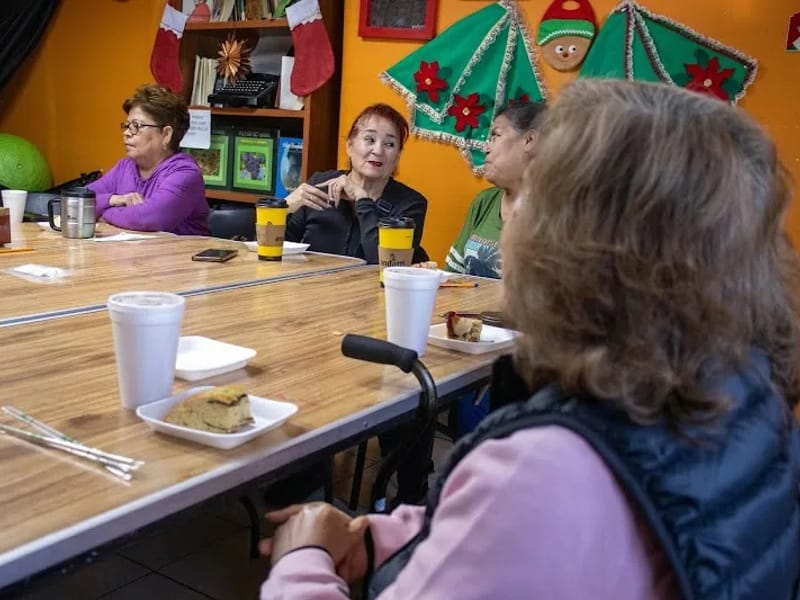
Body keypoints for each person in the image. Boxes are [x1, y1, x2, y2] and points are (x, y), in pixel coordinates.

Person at [259, 79, 800, 599]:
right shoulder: (747, 395)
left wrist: (301, 559)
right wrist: (384, 536)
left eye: (532, 192)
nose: (510, 209)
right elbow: (513, 541)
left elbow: (522, 513)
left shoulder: (539, 472)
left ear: (575, 239)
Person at [284, 103, 427, 263]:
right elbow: (274, 250)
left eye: (389, 144)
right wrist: (284, 207)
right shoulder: (320, 185)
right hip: (313, 278)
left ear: (398, 156)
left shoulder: (410, 204)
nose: (378, 151)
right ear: (349, 146)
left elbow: (386, 264)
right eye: (370, 139)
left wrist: (362, 199)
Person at [89, 84, 210, 236]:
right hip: (134, 251)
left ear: (166, 134)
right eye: (127, 125)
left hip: (181, 251)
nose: (126, 133)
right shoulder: (125, 167)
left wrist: (104, 214)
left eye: (136, 126)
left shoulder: (185, 173)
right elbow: (74, 201)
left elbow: (149, 218)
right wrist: (112, 200)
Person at [444, 100, 546, 279]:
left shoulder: (559, 214)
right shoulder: (485, 202)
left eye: (495, 136)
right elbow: (452, 279)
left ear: (529, 140)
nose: (486, 148)